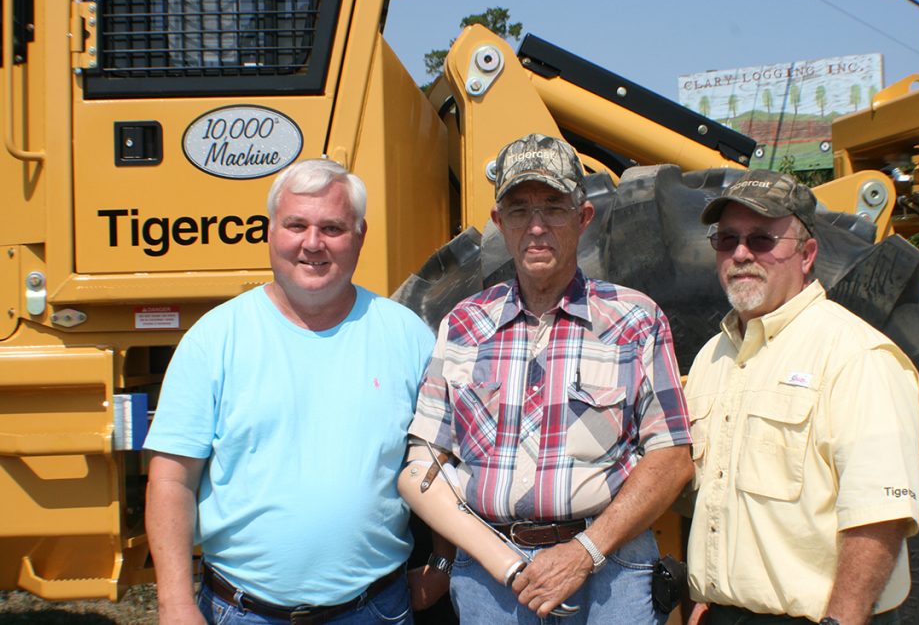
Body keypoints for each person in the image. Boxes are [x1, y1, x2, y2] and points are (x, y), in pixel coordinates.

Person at [405, 133, 694, 624]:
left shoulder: (634, 319)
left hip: (610, 573)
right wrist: (509, 566)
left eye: (554, 208)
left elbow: (671, 458)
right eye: (518, 211)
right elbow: (423, 468)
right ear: (498, 224)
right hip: (490, 579)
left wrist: (584, 551)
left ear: (584, 218)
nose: (536, 227)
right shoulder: (464, 324)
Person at [144, 158, 437, 625]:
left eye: (333, 227)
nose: (312, 243)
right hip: (240, 612)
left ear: (360, 235)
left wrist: (441, 564)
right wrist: (174, 603)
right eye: (296, 225)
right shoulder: (214, 338)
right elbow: (171, 480)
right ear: (269, 232)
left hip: (374, 609)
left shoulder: (408, 337)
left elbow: (450, 463)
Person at [685, 170, 919, 625]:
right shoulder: (711, 358)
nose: (740, 254)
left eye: (762, 239)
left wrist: (842, 619)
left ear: (807, 253)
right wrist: (708, 595)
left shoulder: (857, 356)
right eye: (726, 239)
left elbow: (879, 515)